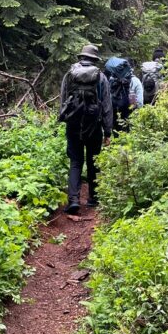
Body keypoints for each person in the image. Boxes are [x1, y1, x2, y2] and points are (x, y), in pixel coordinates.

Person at [59, 44, 113, 213]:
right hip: (94, 126)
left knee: (75, 161)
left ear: (81, 57)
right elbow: (106, 105)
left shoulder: (69, 75)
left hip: (74, 124)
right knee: (93, 161)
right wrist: (108, 131)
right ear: (95, 60)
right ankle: (93, 198)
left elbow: (63, 100)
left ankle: (73, 200)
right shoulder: (101, 77)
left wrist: (65, 118)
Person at [104, 56, 143, 133]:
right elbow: (140, 102)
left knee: (116, 134)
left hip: (114, 114)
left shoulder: (111, 80)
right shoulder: (135, 81)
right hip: (130, 115)